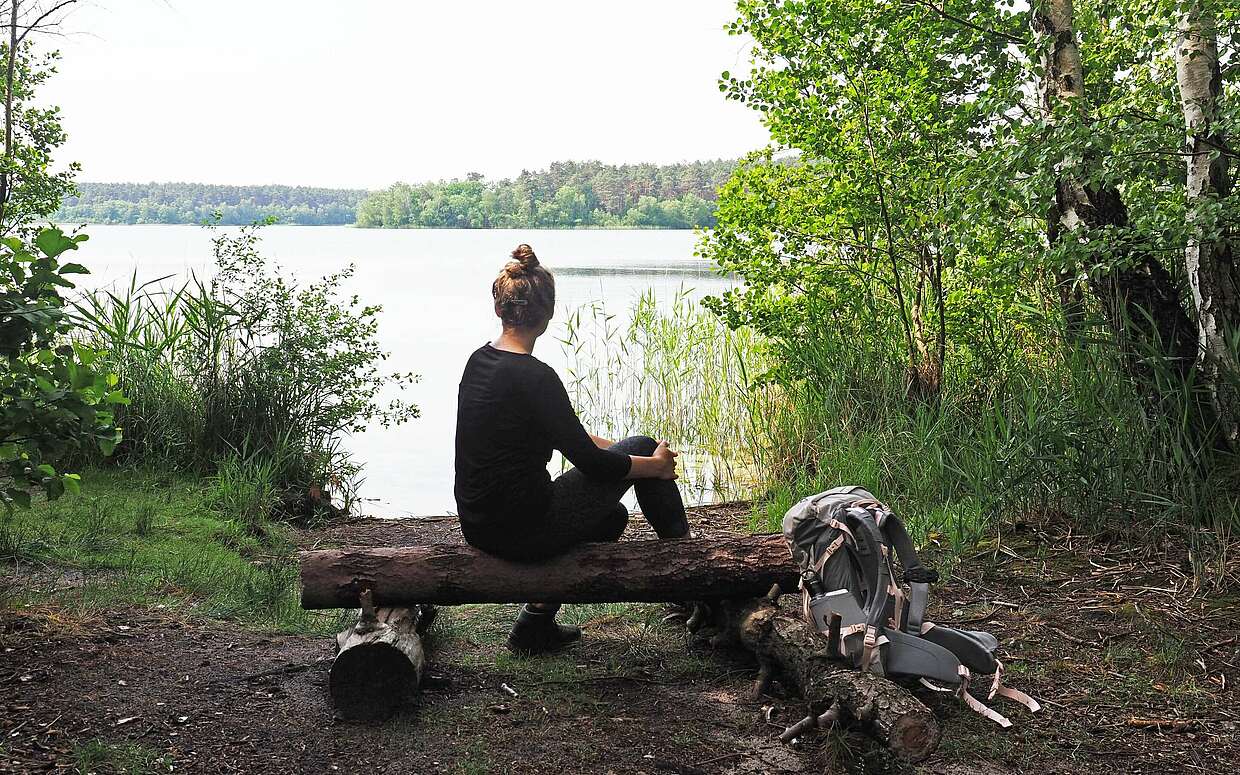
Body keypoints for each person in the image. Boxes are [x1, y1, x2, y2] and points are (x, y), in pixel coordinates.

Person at [454, 243, 692, 655]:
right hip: (521, 530)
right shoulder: (535, 377)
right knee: (643, 445)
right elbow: (594, 464)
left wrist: (638, 460)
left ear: (499, 309)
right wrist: (652, 465)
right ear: (547, 316)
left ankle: (535, 625)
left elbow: (572, 439)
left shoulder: (479, 363)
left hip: (479, 524)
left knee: (611, 518)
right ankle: (694, 577)